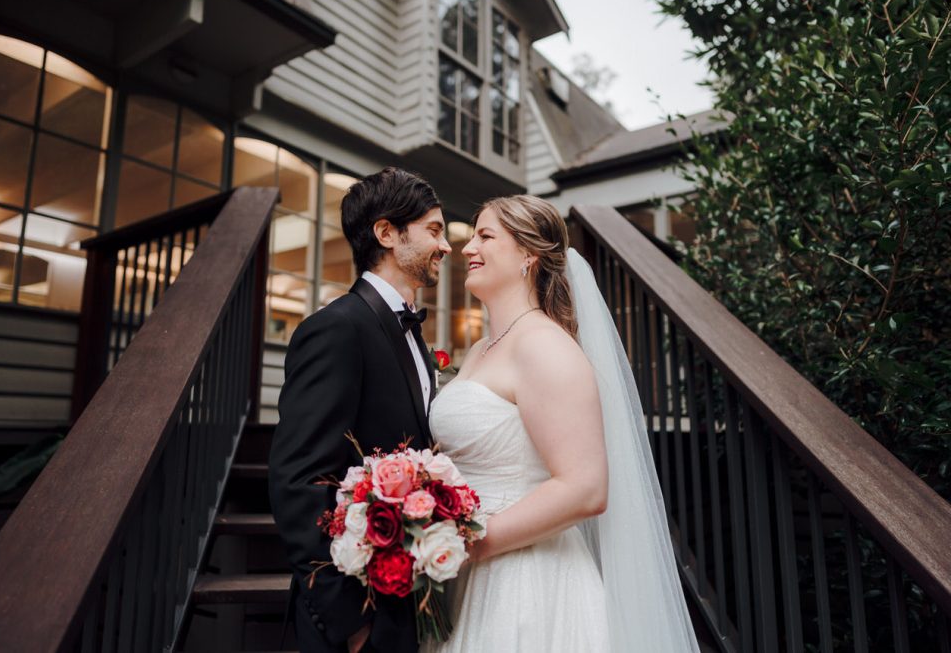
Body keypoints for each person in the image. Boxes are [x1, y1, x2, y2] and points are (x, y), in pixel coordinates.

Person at [424, 195, 699, 652]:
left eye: (486, 236)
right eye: (472, 235)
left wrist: (471, 542)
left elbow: (585, 488)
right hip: (465, 569)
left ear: (528, 255)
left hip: (526, 580)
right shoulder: (480, 350)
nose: (468, 247)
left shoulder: (545, 347)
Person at [269, 167, 452, 653]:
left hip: (408, 602)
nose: (447, 246)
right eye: (435, 230)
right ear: (387, 233)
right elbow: (298, 477)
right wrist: (349, 621)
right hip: (355, 618)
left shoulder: (413, 334)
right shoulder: (336, 329)